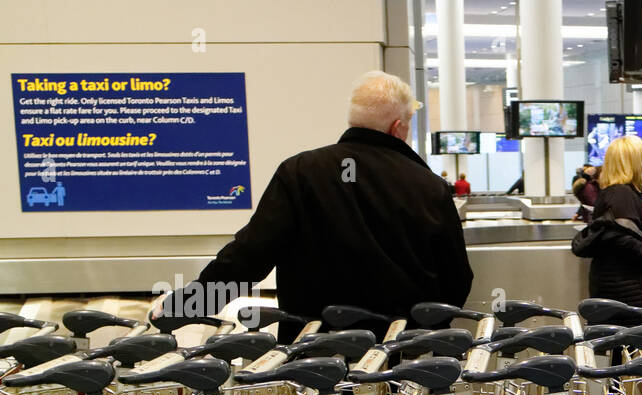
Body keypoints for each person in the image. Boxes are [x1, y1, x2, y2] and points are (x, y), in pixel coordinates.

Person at [155, 71, 471, 322]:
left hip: (312, 356)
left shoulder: (301, 172)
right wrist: (425, 328)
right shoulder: (429, 186)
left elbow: (248, 258)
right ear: (398, 127)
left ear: (354, 119)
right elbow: (457, 279)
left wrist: (185, 305)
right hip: (401, 356)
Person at [571, 134, 642, 310]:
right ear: (631, 163)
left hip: (622, 288)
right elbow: (624, 240)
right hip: (629, 292)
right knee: (639, 337)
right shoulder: (620, 195)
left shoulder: (618, 193)